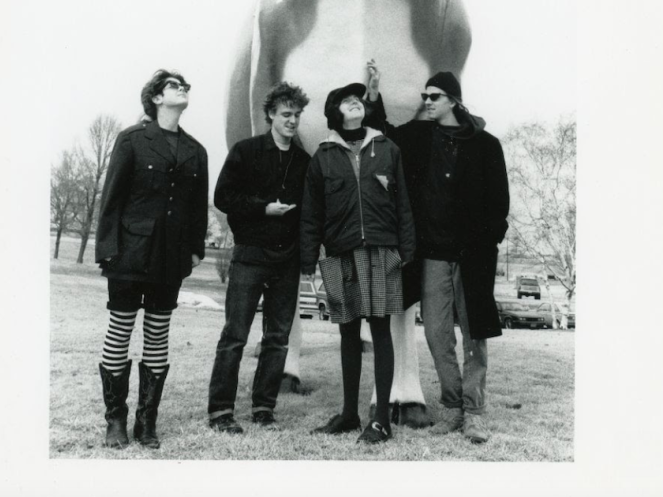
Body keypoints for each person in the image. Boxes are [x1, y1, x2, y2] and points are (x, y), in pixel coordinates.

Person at [364, 63, 509, 444]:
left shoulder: (487, 144)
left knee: (475, 333)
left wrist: (488, 242)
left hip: (474, 256)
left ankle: (473, 413)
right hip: (432, 254)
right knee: (436, 333)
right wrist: (373, 94)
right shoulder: (419, 136)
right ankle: (453, 407)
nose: (426, 101)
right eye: (424, 96)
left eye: (434, 96)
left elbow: (499, 204)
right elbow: (385, 133)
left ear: (454, 101)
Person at [95, 69, 208, 449]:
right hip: (129, 252)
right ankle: (115, 420)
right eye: (174, 85)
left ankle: (147, 422)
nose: (183, 89)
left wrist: (195, 249)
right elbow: (111, 198)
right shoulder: (131, 139)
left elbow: (197, 209)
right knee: (120, 329)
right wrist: (107, 250)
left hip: (170, 257)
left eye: (185, 86)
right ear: (157, 98)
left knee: (158, 333)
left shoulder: (196, 150)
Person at [301, 83, 415, 445]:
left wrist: (407, 248)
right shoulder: (322, 156)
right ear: (334, 112)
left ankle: (381, 420)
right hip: (339, 251)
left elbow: (403, 202)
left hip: (381, 250)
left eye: (358, 99)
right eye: (346, 100)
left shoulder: (387, 148)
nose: (355, 103)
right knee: (347, 332)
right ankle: (349, 414)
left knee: (380, 331)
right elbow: (311, 213)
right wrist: (308, 256)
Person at [207, 82, 310, 433]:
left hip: (287, 260)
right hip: (250, 256)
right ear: (270, 115)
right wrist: (263, 208)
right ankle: (221, 411)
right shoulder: (245, 151)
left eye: (297, 115)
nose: (292, 121)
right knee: (235, 335)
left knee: (278, 338)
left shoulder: (304, 161)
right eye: (286, 114)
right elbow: (223, 197)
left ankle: (264, 408)